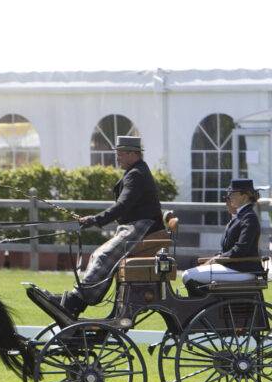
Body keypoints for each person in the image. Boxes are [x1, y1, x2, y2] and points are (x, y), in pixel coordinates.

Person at [36, 136, 164, 318]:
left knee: (103, 256)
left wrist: (95, 220)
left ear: (132, 153)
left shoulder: (136, 174)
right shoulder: (137, 171)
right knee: (98, 254)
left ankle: (74, 302)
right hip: (137, 226)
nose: (117, 157)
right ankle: (76, 300)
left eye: (120, 153)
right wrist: (95, 220)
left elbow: (122, 206)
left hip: (142, 228)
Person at [182, 179, 263, 294]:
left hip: (243, 270)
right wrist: (216, 258)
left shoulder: (249, 217)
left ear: (244, 196)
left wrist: (218, 259)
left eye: (232, 194)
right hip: (234, 267)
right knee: (191, 273)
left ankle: (205, 304)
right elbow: (228, 248)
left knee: (188, 275)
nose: (229, 197)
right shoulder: (240, 216)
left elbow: (241, 249)